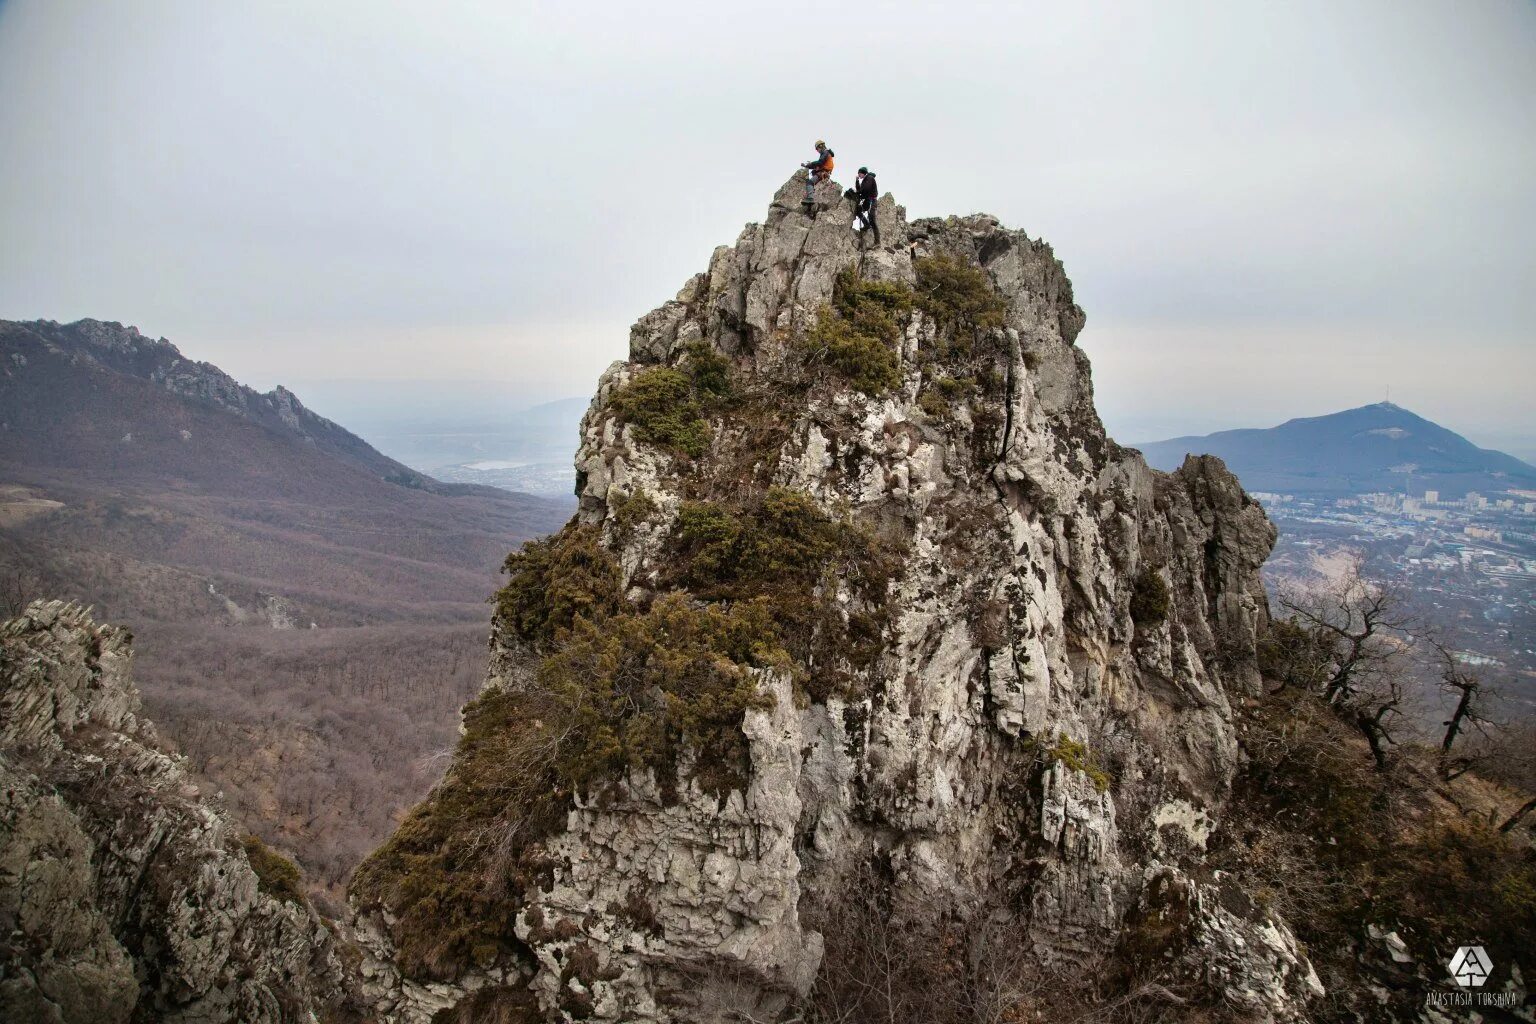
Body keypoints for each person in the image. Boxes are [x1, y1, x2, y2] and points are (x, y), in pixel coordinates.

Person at [801, 140, 834, 204]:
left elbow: (819, 162)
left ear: (821, 146)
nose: (817, 150)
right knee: (813, 185)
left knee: (809, 183)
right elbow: (818, 165)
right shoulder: (826, 154)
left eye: (817, 149)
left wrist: (811, 164)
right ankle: (810, 202)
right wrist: (807, 166)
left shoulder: (825, 153)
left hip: (823, 173)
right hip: (824, 173)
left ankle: (810, 198)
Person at [853, 166, 879, 243]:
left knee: (872, 219)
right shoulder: (865, 180)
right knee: (858, 211)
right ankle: (866, 224)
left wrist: (859, 193)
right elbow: (860, 189)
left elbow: (865, 189)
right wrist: (857, 181)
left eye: (859, 173)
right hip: (867, 200)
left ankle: (877, 241)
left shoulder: (869, 178)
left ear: (863, 173)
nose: (859, 175)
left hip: (871, 200)